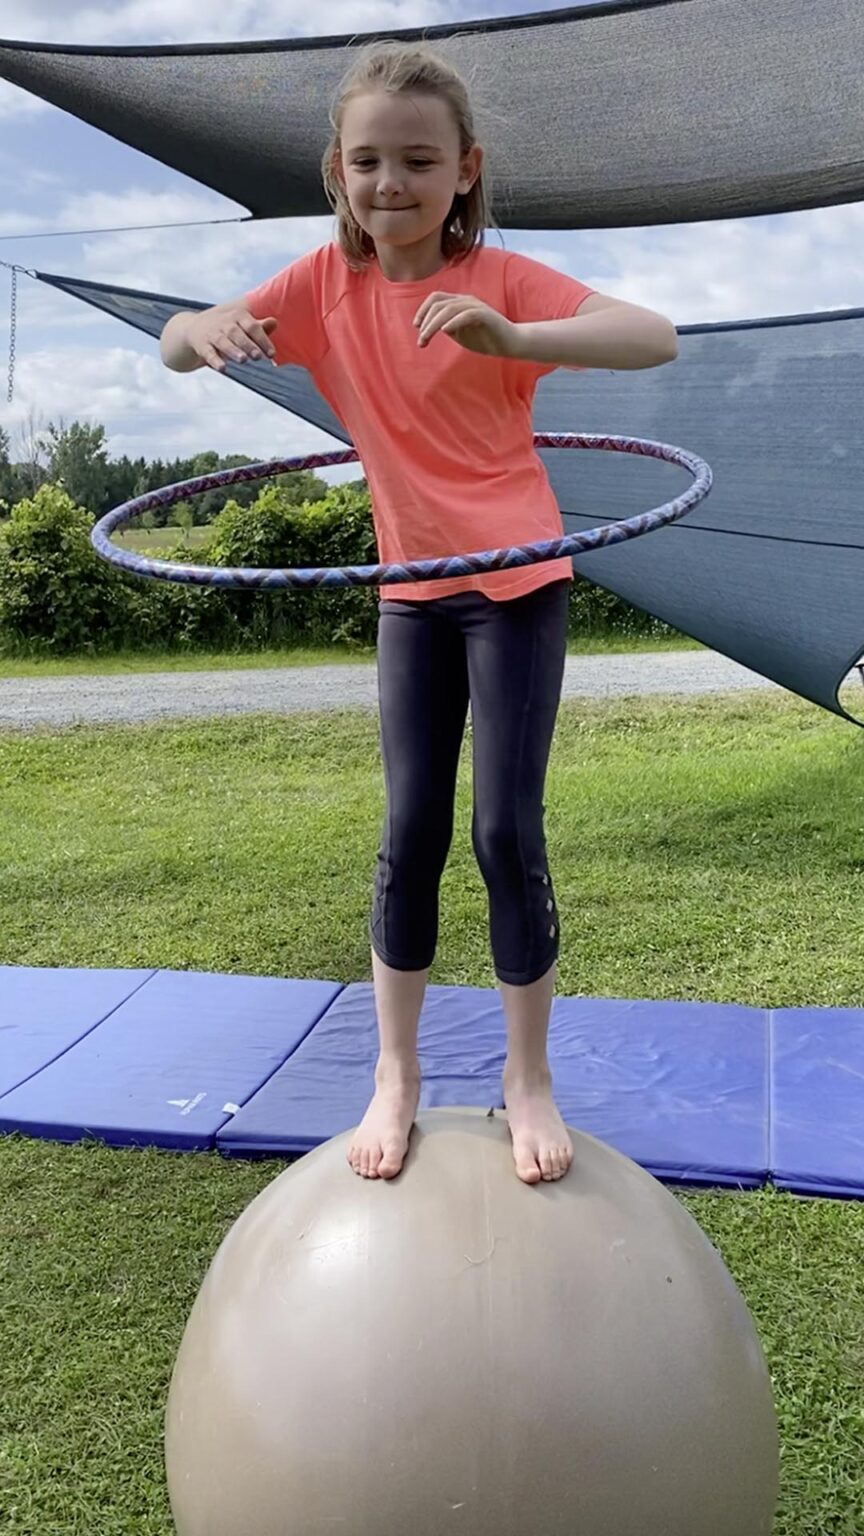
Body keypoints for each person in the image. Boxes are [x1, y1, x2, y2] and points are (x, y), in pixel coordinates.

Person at [160, 41, 678, 1185]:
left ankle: (524, 1079)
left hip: (520, 588)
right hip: (413, 600)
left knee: (506, 833)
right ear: (337, 173)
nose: (392, 181)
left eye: (418, 160)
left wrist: (518, 339)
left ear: (463, 170)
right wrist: (201, 326)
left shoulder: (496, 281)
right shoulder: (317, 287)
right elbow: (176, 345)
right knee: (410, 837)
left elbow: (654, 334)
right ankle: (393, 1075)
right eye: (370, 160)